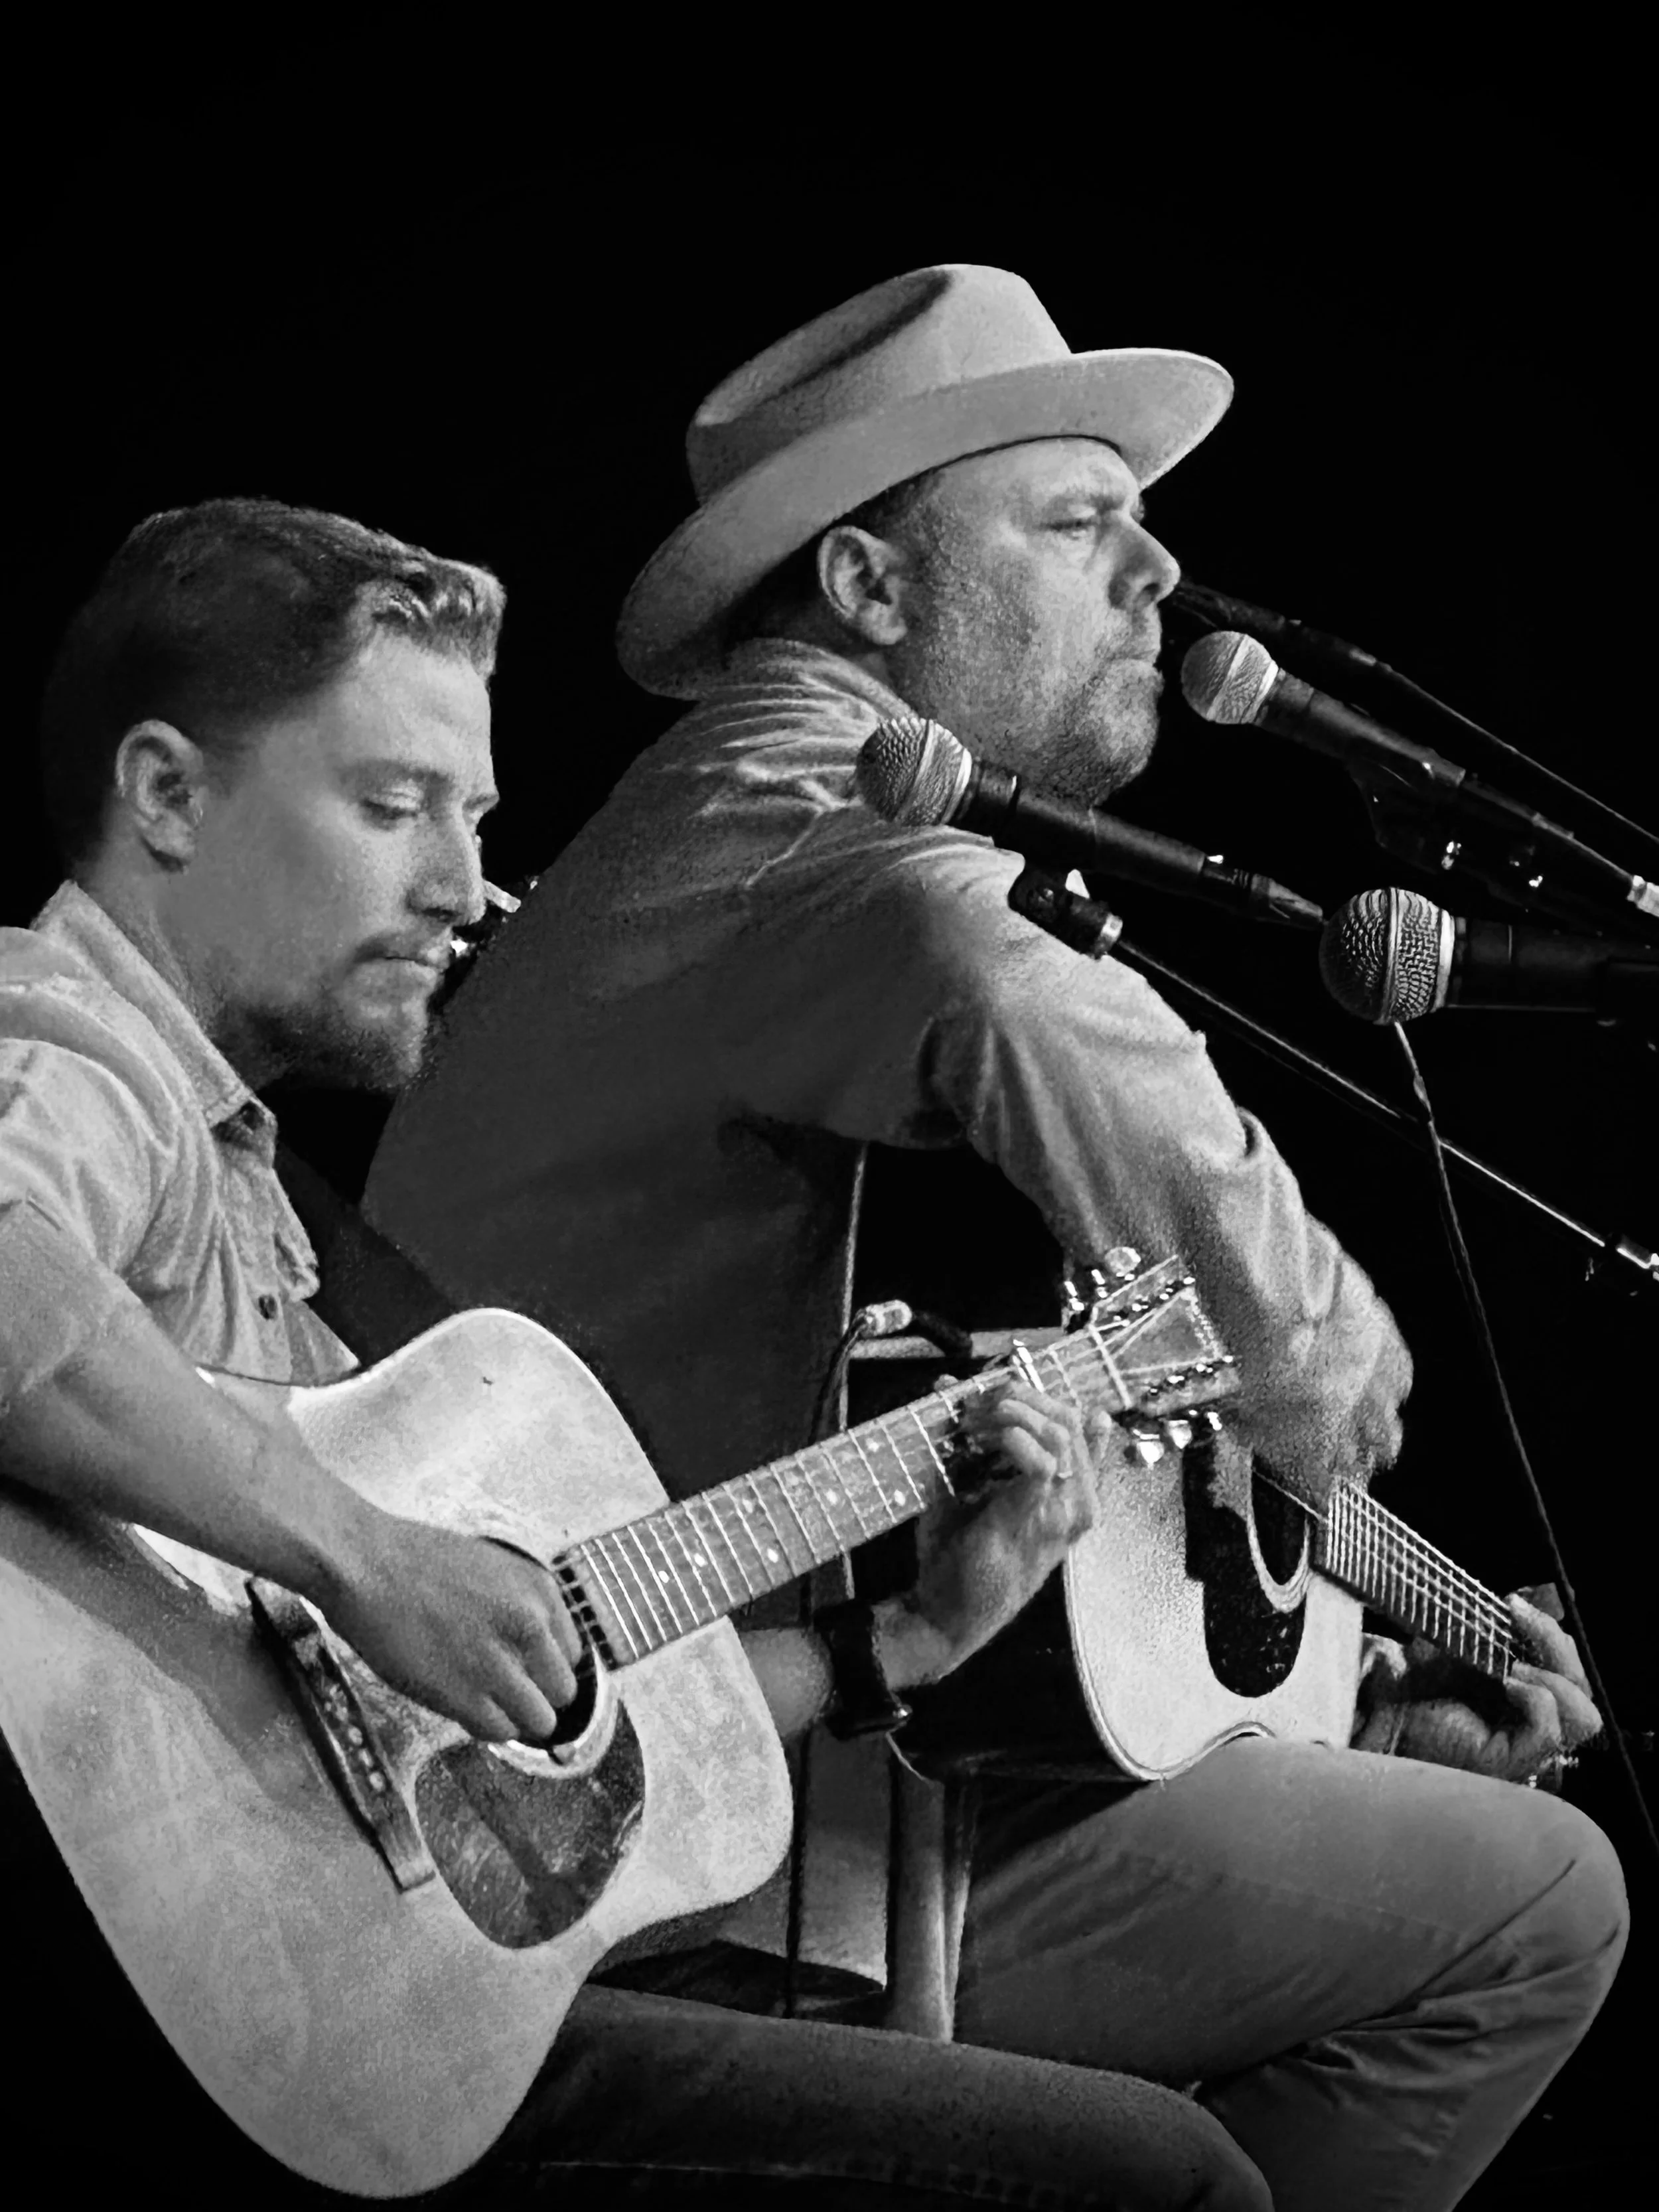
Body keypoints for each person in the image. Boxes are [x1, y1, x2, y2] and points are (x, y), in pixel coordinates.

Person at [365, 265, 1628, 2211]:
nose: (1160, 572)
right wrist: (1320, 1363)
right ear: (867, 589)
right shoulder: (805, 832)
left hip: (834, 1766)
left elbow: (1035, 1448)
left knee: (1446, 1870)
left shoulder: (720, 852)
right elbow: (1001, 990)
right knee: (1542, 1900)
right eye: (1075, 521)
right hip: (714, 1841)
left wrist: (1356, 1689)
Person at [0, 498, 1267, 2208]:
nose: (464, 886)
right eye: (391, 807)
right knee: (1157, 2183)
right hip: (200, 2065)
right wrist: (373, 1558)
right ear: (167, 795)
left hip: (350, 2039)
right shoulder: (72, 1050)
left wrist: (903, 1640)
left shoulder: (264, 1199)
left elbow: (525, 1700)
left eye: (475, 817)